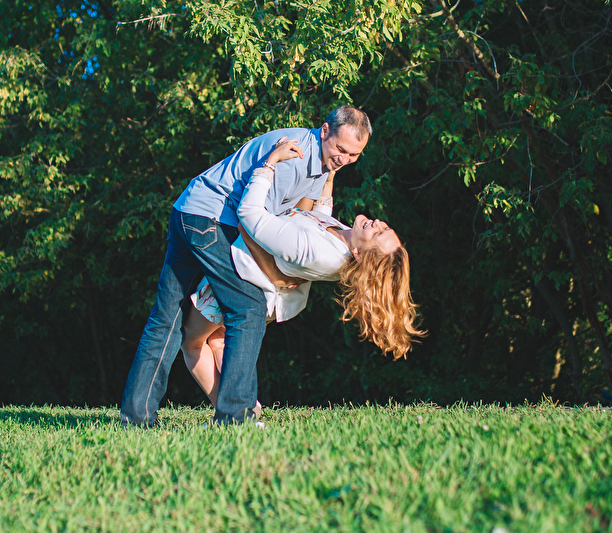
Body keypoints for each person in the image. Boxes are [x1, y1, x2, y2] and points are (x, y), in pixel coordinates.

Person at [120, 106, 372, 426]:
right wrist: (274, 275)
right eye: (341, 149)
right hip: (212, 219)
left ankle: (136, 417)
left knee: (167, 319)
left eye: (354, 155)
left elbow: (300, 215)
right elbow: (252, 221)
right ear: (325, 131)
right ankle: (235, 416)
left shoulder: (320, 161)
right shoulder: (294, 157)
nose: (345, 159)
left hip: (190, 209)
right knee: (248, 309)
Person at [180, 138, 424, 412]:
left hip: (241, 278)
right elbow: (316, 219)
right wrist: (328, 174)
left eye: (377, 234)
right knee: (219, 340)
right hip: (256, 285)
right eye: (385, 228)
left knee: (192, 343)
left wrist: (270, 163)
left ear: (360, 255)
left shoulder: (321, 253)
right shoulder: (345, 242)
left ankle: (233, 410)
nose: (377, 223)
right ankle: (242, 406)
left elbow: (250, 215)